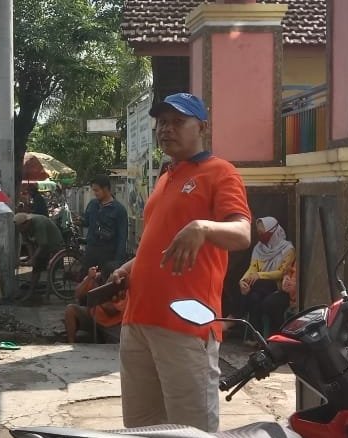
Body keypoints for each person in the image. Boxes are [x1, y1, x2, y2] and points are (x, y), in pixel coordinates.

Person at [110, 93, 252, 432]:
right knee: (141, 428)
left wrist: (203, 227)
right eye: (162, 123)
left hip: (186, 326)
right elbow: (159, 246)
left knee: (191, 429)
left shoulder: (220, 172)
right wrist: (129, 269)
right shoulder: (165, 178)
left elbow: (242, 233)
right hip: (138, 321)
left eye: (178, 121)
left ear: (201, 127)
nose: (166, 129)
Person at [237, 217, 296, 334]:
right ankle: (255, 336)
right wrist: (242, 280)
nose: (261, 236)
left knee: (257, 284)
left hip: (278, 285)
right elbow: (252, 268)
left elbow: (282, 272)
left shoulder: (287, 249)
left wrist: (260, 275)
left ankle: (234, 317)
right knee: (254, 297)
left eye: (263, 233)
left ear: (274, 232)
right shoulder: (258, 248)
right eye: (259, 233)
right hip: (259, 287)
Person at [79, 175, 128, 276]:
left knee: (102, 284)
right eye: (93, 190)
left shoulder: (119, 210)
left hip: (107, 256)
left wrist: (118, 261)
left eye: (97, 190)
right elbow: (87, 222)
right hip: (91, 252)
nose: (95, 193)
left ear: (105, 189)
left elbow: (122, 237)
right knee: (86, 281)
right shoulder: (92, 204)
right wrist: (79, 221)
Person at [64, 263, 125, 343]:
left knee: (120, 344)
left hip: (112, 324)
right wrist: (88, 278)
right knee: (70, 309)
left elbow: (111, 311)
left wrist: (98, 294)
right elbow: (77, 294)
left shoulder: (121, 283)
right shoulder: (96, 278)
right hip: (93, 317)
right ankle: (71, 342)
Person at [14, 212, 63, 300]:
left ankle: (47, 296)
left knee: (50, 268)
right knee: (36, 267)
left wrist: (33, 258)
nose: (20, 230)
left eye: (21, 228)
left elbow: (42, 245)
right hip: (41, 243)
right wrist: (32, 258)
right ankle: (30, 293)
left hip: (53, 243)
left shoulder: (39, 224)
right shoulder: (22, 227)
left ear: (26, 223)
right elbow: (28, 243)